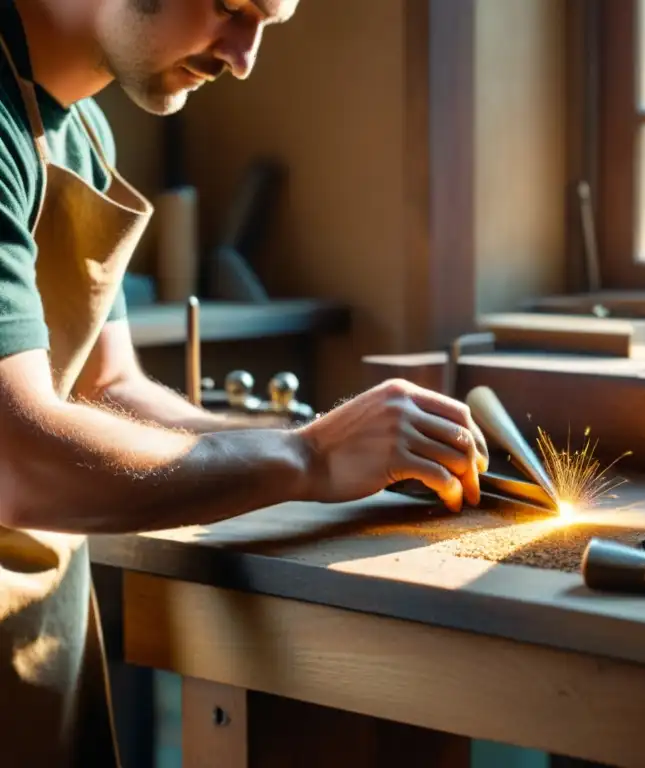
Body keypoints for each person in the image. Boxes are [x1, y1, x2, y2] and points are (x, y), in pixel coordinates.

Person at [0, 0, 489, 765]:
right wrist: (307, 460)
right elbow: (20, 459)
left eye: (268, 22)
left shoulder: (79, 127)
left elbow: (109, 388)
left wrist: (339, 445)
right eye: (233, 8)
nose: (244, 56)